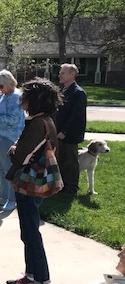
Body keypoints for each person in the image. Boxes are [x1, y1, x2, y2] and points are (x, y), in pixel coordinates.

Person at [5, 78, 62, 284]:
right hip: (33, 183)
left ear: (35, 100)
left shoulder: (38, 124)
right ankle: (30, 276)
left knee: (31, 232)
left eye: (26, 95)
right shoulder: (44, 120)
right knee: (27, 231)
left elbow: (20, 155)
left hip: (30, 184)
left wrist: (13, 150)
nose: (22, 99)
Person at [0, 70, 25, 212]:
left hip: (8, 137)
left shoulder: (15, 97)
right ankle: (3, 196)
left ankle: (12, 199)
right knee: (1, 168)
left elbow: (13, 119)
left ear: (9, 83)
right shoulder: (5, 95)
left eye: (1, 86)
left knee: (9, 169)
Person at [56, 63, 87, 195]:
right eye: (60, 72)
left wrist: (65, 132)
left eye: (63, 73)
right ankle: (62, 186)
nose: (60, 75)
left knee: (71, 162)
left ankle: (72, 188)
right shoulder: (64, 91)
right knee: (61, 160)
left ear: (72, 75)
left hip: (70, 135)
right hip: (59, 134)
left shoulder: (78, 93)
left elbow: (76, 117)